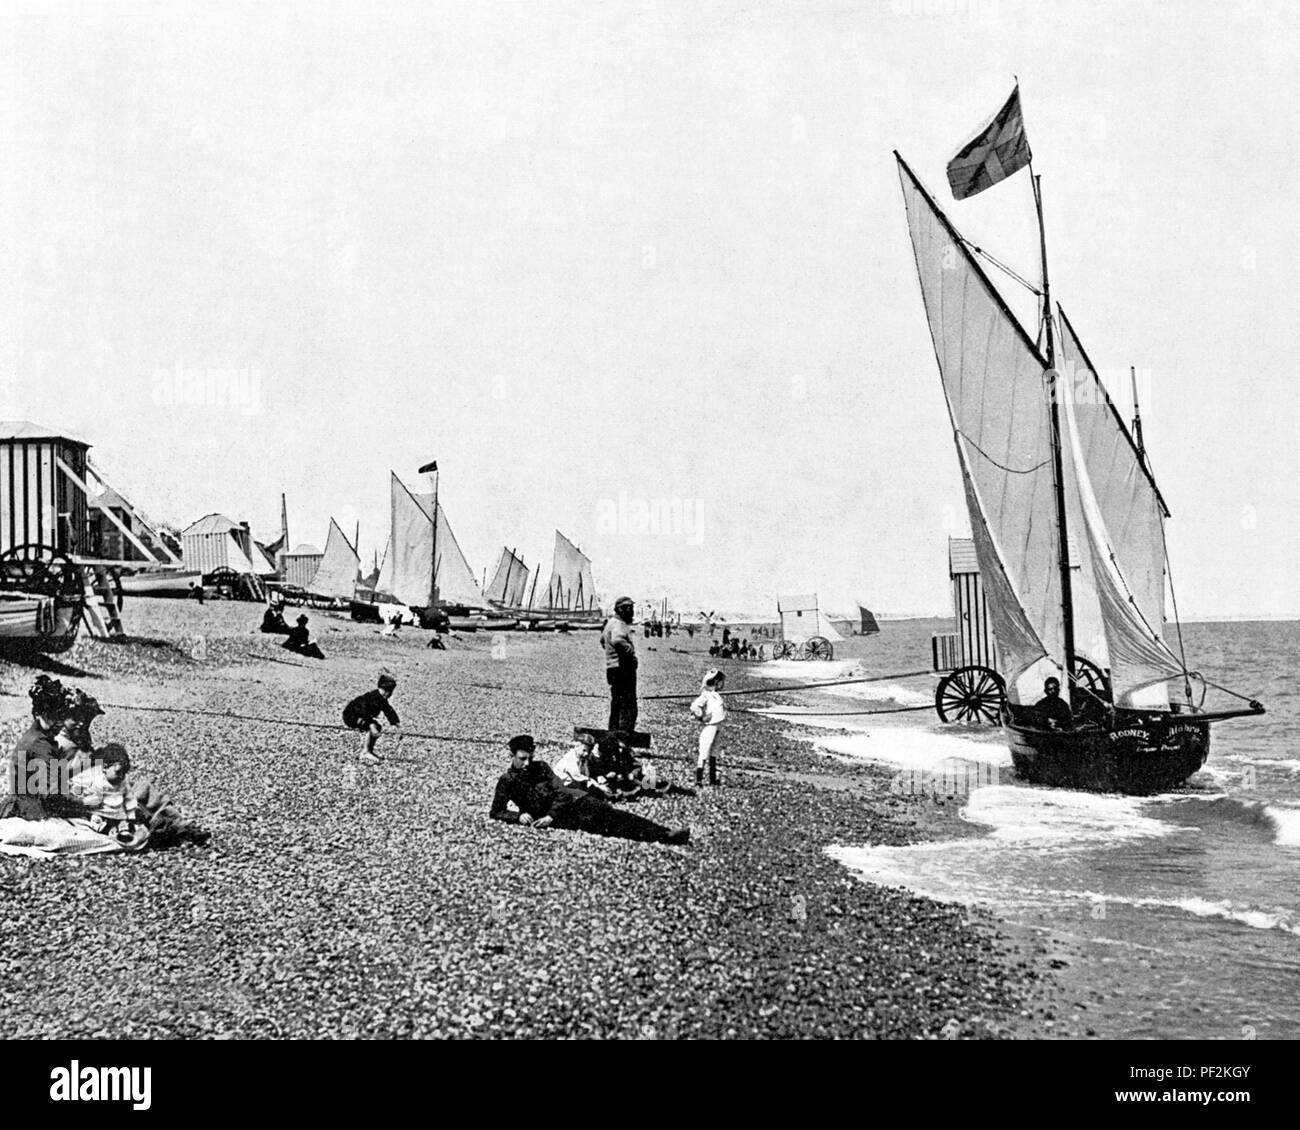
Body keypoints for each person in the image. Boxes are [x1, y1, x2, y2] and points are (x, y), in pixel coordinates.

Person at [490, 735, 688, 845]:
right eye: (522, 759)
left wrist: (550, 816)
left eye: (530, 758)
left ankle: (665, 833)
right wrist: (518, 816)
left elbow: (561, 791)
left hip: (574, 802)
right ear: (512, 755)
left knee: (615, 815)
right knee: (612, 826)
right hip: (566, 818)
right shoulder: (507, 781)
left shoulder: (541, 767)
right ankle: (664, 836)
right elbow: (496, 811)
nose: (527, 763)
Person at [0, 675, 73, 820]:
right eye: (53, 716)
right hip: (29, 811)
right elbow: (49, 792)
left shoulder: (35, 736)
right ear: (38, 714)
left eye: (61, 716)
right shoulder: (40, 744)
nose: (59, 722)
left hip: (21, 803)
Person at [67, 744, 145, 845]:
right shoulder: (96, 779)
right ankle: (107, 830)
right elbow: (80, 784)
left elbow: (129, 799)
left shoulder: (123, 782)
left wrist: (131, 815)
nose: (121, 776)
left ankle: (123, 832)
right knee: (95, 820)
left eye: (124, 773)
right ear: (104, 768)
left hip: (118, 811)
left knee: (124, 823)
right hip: (101, 811)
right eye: (118, 772)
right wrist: (80, 794)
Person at [599, 596, 639, 735]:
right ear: (622, 609)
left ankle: (614, 734)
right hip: (623, 669)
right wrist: (630, 652)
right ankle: (623, 737)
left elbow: (603, 641)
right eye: (630, 609)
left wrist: (611, 655)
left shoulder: (610, 623)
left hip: (613, 668)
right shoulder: (619, 624)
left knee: (617, 704)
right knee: (628, 706)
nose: (633, 612)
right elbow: (617, 640)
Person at [343, 673, 401, 764]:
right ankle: (366, 752)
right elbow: (363, 711)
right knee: (375, 727)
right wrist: (371, 725)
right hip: (352, 716)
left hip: (361, 715)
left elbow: (388, 711)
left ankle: (369, 750)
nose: (388, 694)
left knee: (376, 727)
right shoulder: (371, 697)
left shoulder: (381, 699)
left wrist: (397, 724)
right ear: (381, 689)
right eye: (386, 691)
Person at [689, 669, 726, 786]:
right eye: (721, 682)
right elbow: (694, 706)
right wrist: (701, 717)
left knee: (714, 752)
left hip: (719, 725)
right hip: (711, 726)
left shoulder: (717, 695)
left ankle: (712, 779)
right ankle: (699, 779)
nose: (723, 684)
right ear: (716, 682)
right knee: (704, 751)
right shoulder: (707, 694)